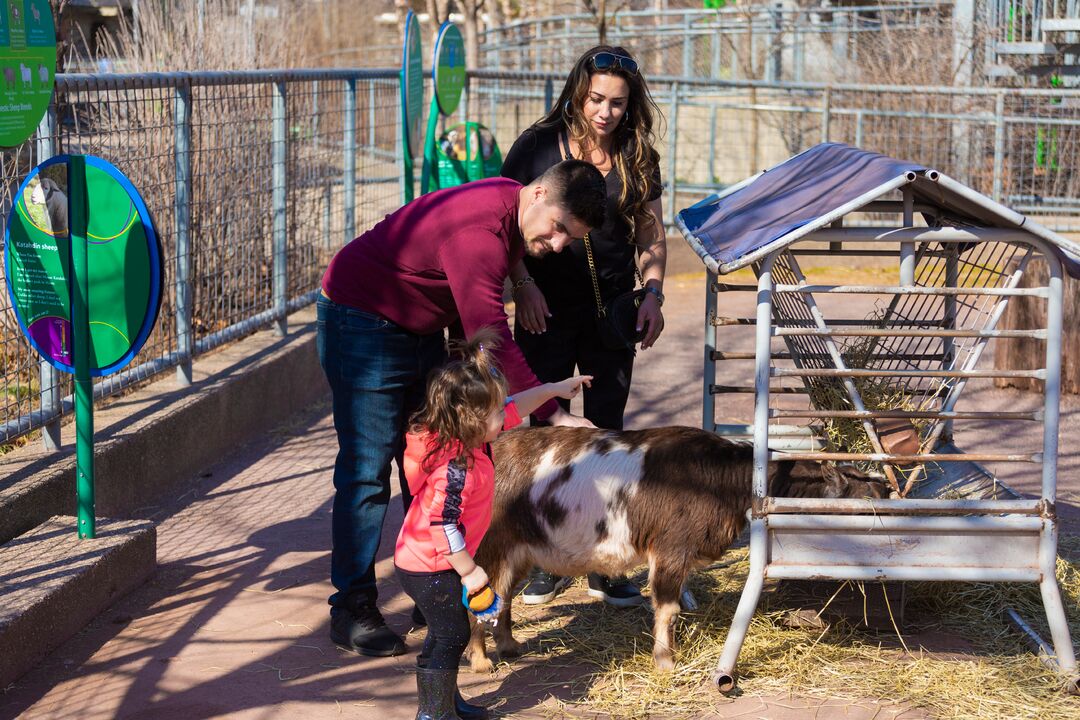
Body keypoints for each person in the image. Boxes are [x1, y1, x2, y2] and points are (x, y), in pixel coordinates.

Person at [317, 160, 606, 658]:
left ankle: (429, 590)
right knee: (368, 469)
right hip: (361, 318)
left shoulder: (514, 204)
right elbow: (488, 333)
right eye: (558, 228)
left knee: (433, 459)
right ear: (537, 194)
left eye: (569, 239)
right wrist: (554, 414)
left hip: (420, 325)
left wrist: (521, 281)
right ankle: (353, 607)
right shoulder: (480, 235)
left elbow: (481, 304)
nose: (558, 245)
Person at [501, 45, 667, 608]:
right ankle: (544, 554)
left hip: (613, 316)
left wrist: (653, 294)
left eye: (618, 103)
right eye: (596, 98)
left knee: (605, 434)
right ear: (579, 91)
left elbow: (651, 235)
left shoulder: (637, 154)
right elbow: (508, 217)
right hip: (544, 308)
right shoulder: (538, 144)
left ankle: (602, 560)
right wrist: (522, 285)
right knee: (543, 438)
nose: (606, 112)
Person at [395, 329, 591, 720]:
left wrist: (556, 388)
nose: (507, 416)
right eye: (498, 413)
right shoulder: (455, 469)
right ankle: (433, 712)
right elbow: (443, 525)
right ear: (472, 419)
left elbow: (519, 402)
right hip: (429, 565)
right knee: (451, 635)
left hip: (442, 563)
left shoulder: (473, 440)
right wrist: (470, 573)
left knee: (446, 633)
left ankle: (447, 701)